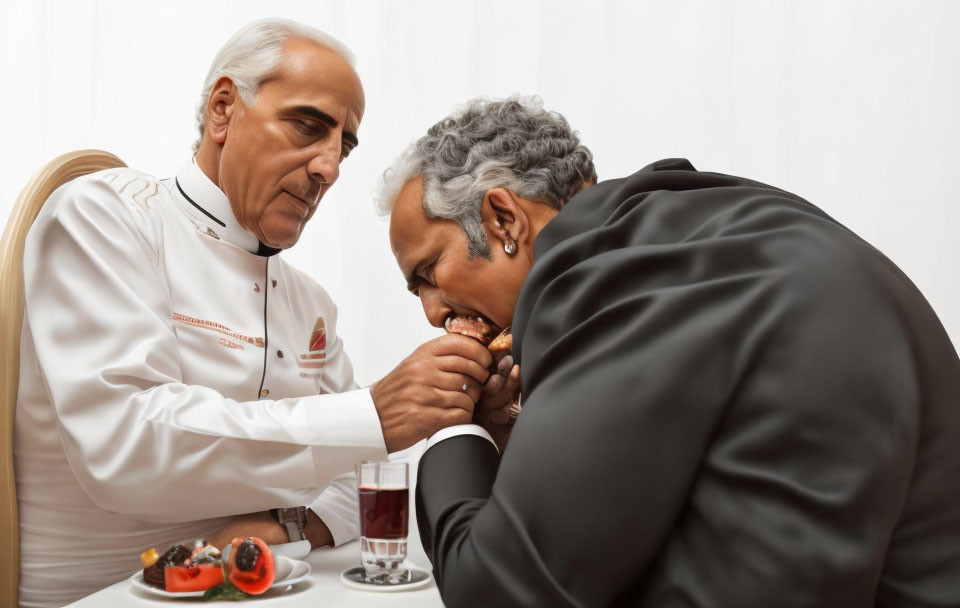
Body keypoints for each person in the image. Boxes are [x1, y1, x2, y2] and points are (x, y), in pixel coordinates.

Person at [381, 96, 960, 607]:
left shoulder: (600, 284)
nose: (434, 314)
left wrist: (454, 429)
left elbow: (501, 591)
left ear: (504, 217)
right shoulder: (731, 230)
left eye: (429, 272)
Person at [14, 19, 492, 607]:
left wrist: (285, 525)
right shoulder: (104, 216)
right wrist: (371, 414)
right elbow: (125, 442)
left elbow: (352, 478)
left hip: (265, 588)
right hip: (104, 594)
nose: (329, 169)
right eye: (307, 127)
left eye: (341, 146)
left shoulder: (309, 301)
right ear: (223, 109)